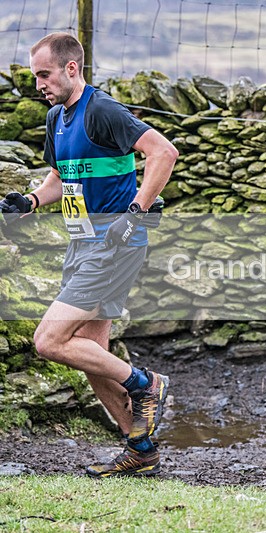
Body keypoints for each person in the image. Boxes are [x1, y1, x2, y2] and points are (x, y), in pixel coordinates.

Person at [0, 33, 178, 476]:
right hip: (82, 242)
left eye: (44, 74)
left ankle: (146, 383)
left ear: (71, 68)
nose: (38, 84)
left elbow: (163, 152)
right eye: (34, 76)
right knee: (92, 353)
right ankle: (140, 448)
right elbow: (62, 176)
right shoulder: (56, 118)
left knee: (49, 340)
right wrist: (31, 200)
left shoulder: (101, 110)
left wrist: (134, 213)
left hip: (114, 245)